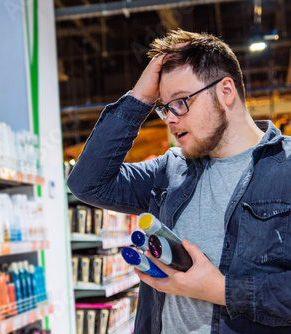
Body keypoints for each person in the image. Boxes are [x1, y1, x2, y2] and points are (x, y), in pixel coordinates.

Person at [67, 29, 291, 333]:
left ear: (226, 92)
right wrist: (140, 98)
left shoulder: (285, 168)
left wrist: (220, 289)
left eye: (181, 101)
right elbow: (87, 183)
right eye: (164, 107)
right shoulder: (170, 169)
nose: (170, 118)